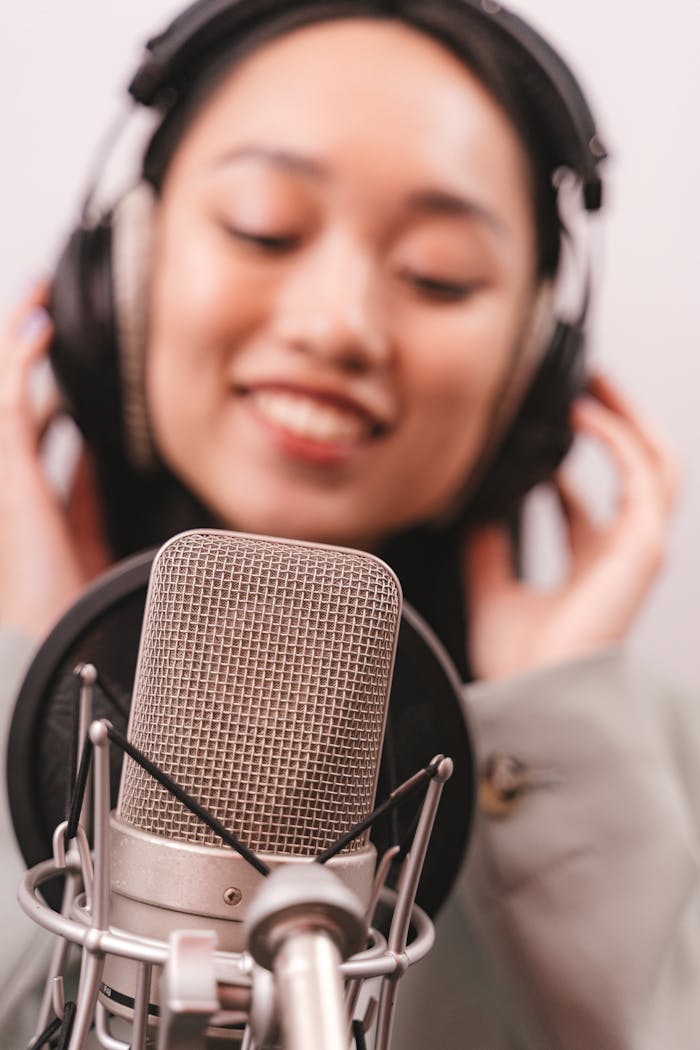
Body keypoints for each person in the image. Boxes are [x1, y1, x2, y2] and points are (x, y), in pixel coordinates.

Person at [0, 1, 692, 1047]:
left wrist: (550, 742)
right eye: (262, 227)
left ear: (528, 372)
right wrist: (45, 683)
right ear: (122, 274)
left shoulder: (645, 762)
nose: (337, 327)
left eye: (438, 276)